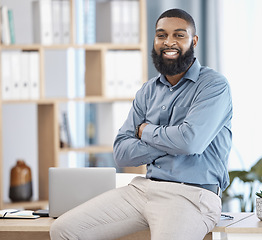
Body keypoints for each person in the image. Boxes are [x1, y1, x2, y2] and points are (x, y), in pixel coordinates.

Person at [50, 8, 232, 240]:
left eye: (179, 35)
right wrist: (173, 139)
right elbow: (122, 153)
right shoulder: (147, 91)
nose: (169, 42)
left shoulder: (213, 85)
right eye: (161, 35)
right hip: (144, 189)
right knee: (63, 230)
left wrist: (146, 131)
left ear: (193, 40)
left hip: (192, 195)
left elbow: (190, 142)